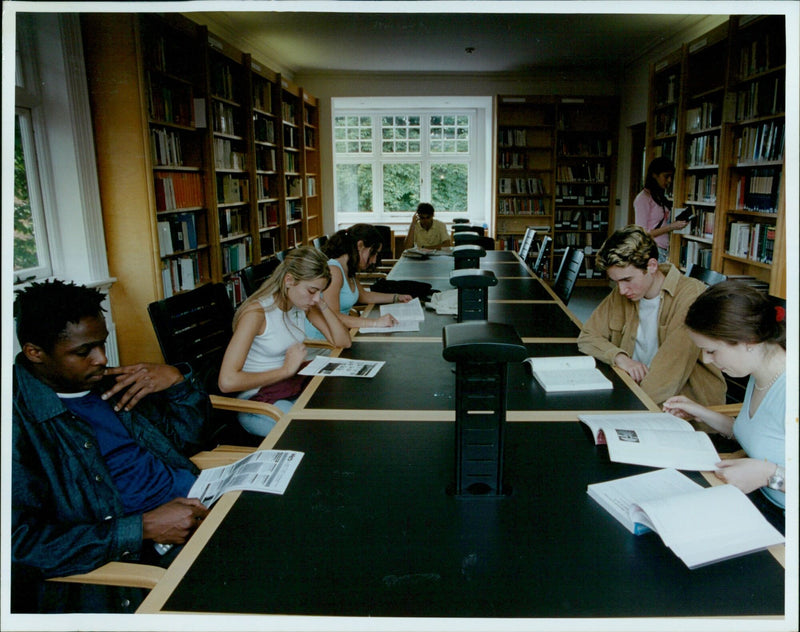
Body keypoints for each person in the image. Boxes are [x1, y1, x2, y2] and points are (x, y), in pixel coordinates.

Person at [12, 280, 212, 613]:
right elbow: (21, 546)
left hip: (203, 506)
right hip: (146, 557)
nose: (102, 358)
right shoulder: (20, 423)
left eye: (102, 344)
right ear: (35, 352)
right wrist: (143, 528)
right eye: (83, 351)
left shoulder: (113, 384)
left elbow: (188, 440)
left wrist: (176, 382)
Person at [663, 281, 786, 522]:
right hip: (760, 501)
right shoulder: (761, 372)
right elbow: (763, 436)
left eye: (711, 351)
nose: (706, 360)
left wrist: (770, 476)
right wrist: (700, 412)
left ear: (748, 341)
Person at [577, 225, 725, 407]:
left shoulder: (691, 296)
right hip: (635, 391)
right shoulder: (625, 292)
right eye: (616, 282)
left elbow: (669, 374)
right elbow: (587, 337)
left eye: (627, 280)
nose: (622, 290)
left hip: (681, 407)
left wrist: (627, 408)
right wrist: (620, 358)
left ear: (652, 266)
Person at [218, 246, 352, 435]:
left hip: (288, 389)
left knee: (341, 413)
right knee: (320, 434)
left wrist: (321, 302)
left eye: (319, 292)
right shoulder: (256, 314)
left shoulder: (299, 303)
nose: (314, 298)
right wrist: (286, 370)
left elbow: (343, 341)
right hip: (258, 404)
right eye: (312, 290)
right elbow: (227, 381)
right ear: (289, 280)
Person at [306, 224, 413, 340]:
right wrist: (375, 323)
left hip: (340, 336)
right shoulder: (334, 271)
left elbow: (364, 296)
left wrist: (397, 297)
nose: (374, 260)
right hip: (324, 342)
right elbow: (333, 316)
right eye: (373, 253)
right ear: (360, 246)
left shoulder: (347, 269)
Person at [634, 157, 687, 262]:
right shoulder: (643, 198)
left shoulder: (659, 197)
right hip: (652, 251)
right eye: (666, 176)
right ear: (654, 175)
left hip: (662, 250)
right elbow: (642, 233)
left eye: (671, 177)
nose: (669, 181)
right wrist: (671, 227)